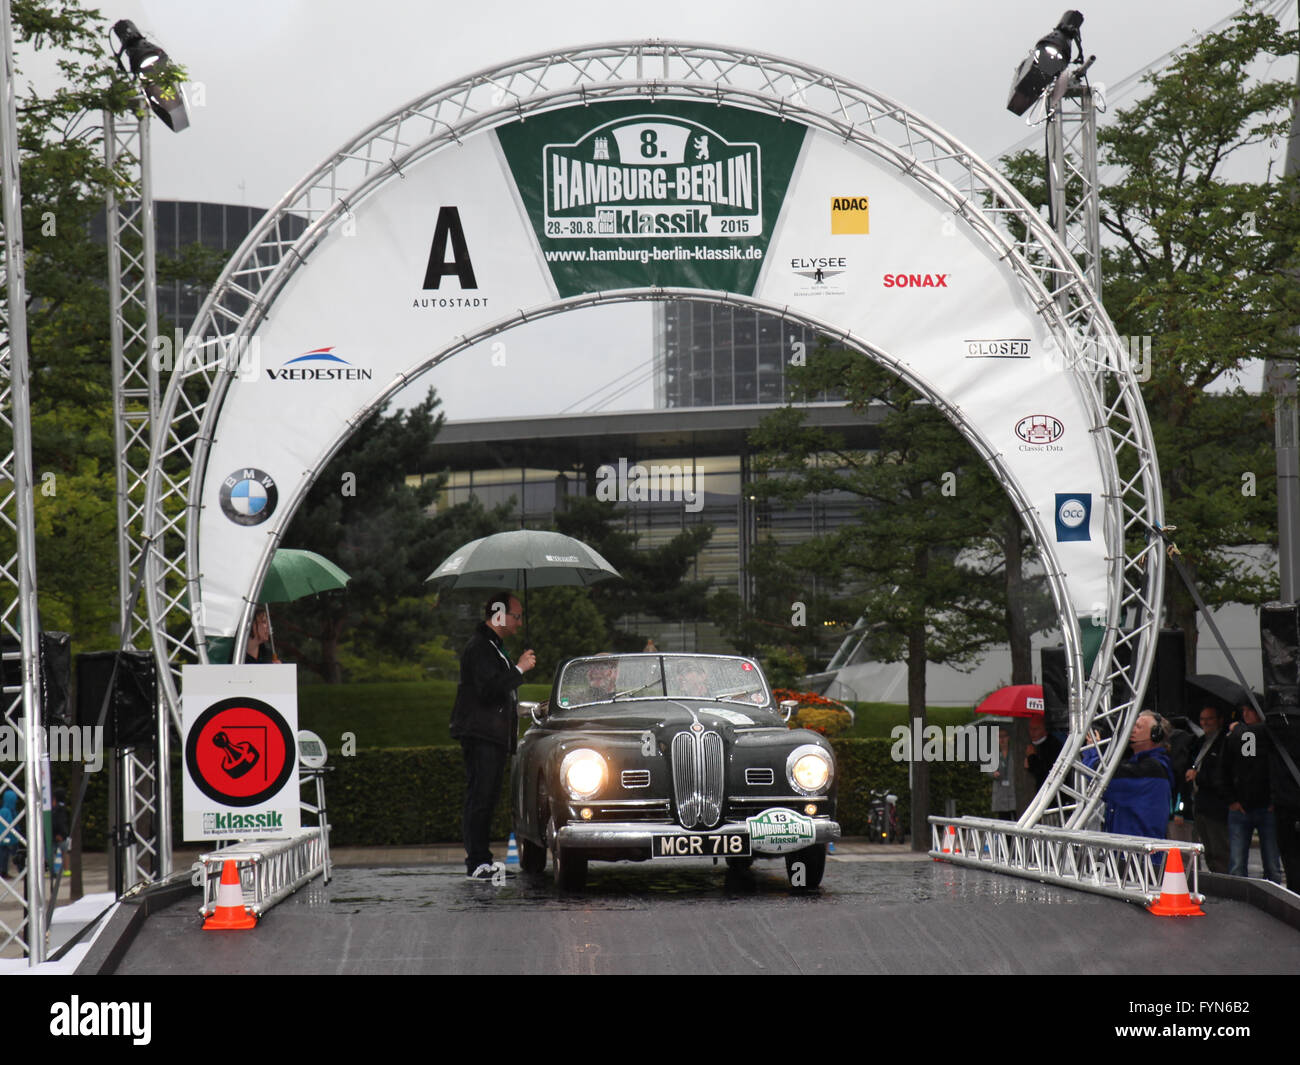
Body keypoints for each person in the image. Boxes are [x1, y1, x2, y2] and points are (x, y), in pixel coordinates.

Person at [449, 592, 535, 881]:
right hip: (481, 734)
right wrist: (520, 668)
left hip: (491, 735)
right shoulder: (480, 647)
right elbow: (487, 690)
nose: (519, 623)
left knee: (486, 797)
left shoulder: (492, 646)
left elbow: (495, 690)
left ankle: (481, 859)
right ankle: (477, 862)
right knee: (480, 797)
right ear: (500, 614)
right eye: (517, 616)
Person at [1082, 712, 1174, 839]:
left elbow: (1100, 778)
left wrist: (1092, 752)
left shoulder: (1149, 770)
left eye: (1138, 727)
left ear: (1155, 735)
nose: (1132, 729)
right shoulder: (1141, 765)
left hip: (1137, 853)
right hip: (1129, 850)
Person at [1223, 703, 1283, 882]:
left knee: (1271, 864)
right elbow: (1224, 768)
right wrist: (1231, 799)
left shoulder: (1263, 735)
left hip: (1264, 805)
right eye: (1244, 711)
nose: (1246, 714)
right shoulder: (1238, 736)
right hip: (1244, 805)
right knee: (1238, 864)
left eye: (1250, 710)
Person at [1185, 705, 1231, 873]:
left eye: (1209, 719)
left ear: (1219, 720)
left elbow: (1222, 774)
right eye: (1202, 719)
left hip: (1216, 805)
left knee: (1220, 850)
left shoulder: (1224, 742)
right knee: (1209, 851)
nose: (1205, 722)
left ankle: (1226, 884)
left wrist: (1198, 776)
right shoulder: (1199, 741)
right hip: (1199, 803)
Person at [1024, 715, 1063, 792]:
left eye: (1035, 729)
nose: (1032, 733)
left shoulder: (1052, 745)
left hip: (1052, 790)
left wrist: (1031, 757)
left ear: (1045, 730)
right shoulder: (1034, 744)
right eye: (1030, 729)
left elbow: (1044, 770)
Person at [991, 728, 1016, 820]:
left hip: (1013, 791)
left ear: (1008, 738)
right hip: (1000, 791)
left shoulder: (1014, 753)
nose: (1002, 739)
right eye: (999, 737)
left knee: (1017, 818)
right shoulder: (994, 754)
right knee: (1004, 819)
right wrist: (993, 773)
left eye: (1004, 736)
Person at [0, 789, 16, 877]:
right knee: (3, 856)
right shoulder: (6, 811)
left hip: (7, 839)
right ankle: (3, 872)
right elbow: (4, 826)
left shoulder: (10, 811)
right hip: (5, 839)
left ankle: (4, 871)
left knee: (6, 856)